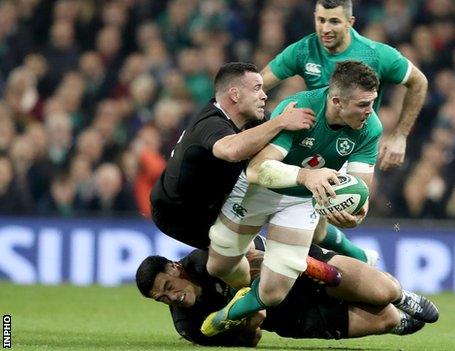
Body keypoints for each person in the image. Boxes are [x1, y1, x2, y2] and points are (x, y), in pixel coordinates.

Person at [202, 61, 396, 336]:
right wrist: (306, 176)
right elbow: (258, 169)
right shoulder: (298, 109)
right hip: (261, 190)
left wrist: (355, 216)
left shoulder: (370, 128)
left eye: (372, 102)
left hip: (303, 199)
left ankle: (229, 313)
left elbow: (361, 190)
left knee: (273, 294)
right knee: (218, 265)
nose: (370, 111)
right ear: (337, 101)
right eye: (363, 104)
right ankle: (245, 285)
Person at [260, 0, 429, 262]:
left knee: (332, 215)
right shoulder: (304, 50)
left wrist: (400, 136)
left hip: (353, 144)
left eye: (334, 21)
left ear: (350, 23)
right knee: (315, 227)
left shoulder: (376, 55)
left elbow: (418, 82)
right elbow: (260, 84)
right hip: (313, 142)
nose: (325, 28)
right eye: (321, 20)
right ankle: (359, 256)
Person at [135, 236, 439, 346]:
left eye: (168, 287)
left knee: (383, 291)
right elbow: (252, 339)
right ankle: (396, 316)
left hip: (300, 269)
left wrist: (258, 270)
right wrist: (248, 324)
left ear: (175, 268)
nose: (172, 298)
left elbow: (256, 251)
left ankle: (401, 296)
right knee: (384, 319)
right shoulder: (188, 326)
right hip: (294, 317)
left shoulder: (207, 260)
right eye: (162, 298)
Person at [149, 62, 315, 250]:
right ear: (235, 95)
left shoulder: (255, 120)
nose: (264, 95)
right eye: (257, 88)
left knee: (265, 250)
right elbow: (232, 150)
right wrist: (281, 121)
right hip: (178, 215)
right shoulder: (210, 123)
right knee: (251, 256)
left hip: (215, 205)